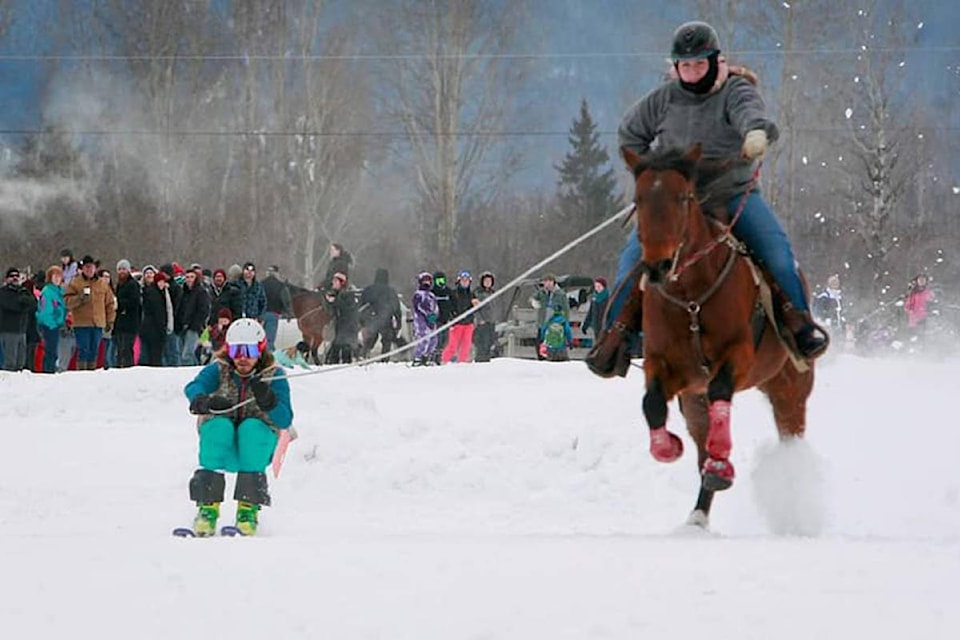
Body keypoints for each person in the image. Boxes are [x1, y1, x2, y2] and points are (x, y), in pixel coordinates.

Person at [587, 20, 828, 378]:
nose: (693, 71)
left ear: (716, 61)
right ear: (676, 67)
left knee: (777, 252)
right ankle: (615, 339)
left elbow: (752, 116)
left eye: (700, 63)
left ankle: (800, 325)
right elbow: (630, 134)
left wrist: (755, 134)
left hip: (731, 196)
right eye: (686, 65)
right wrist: (650, 175)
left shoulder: (734, 91)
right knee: (632, 261)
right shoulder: (663, 99)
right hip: (674, 205)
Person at [183, 318, 293, 536]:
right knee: (218, 426)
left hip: (255, 450)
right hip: (223, 448)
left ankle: (248, 510)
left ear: (260, 350)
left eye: (250, 350)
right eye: (236, 351)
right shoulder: (220, 369)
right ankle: (207, 509)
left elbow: (285, 419)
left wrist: (269, 401)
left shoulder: (274, 374)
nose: (243, 358)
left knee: (253, 428)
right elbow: (194, 386)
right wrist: (202, 400)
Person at [64, 255, 115, 371]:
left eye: (91, 267)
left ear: (95, 268)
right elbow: (67, 302)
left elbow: (110, 303)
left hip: (98, 323)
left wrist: (110, 320)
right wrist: (80, 298)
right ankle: (82, 372)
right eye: (86, 267)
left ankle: (91, 372)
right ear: (82, 269)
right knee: (83, 349)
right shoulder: (75, 283)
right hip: (81, 323)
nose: (89, 270)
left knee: (94, 349)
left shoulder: (102, 284)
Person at [359, 268, 403, 361]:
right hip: (386, 320)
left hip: (371, 319)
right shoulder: (391, 291)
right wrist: (398, 323)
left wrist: (361, 322)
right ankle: (385, 359)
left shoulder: (368, 290)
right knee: (387, 341)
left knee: (370, 340)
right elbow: (396, 308)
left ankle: (363, 355)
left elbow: (361, 307)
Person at [0, 268, 38, 371]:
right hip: (8, 330)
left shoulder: (23, 291)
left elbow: (34, 303)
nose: (15, 278)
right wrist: (23, 305)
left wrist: (23, 303)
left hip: (22, 330)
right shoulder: (3, 292)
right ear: (7, 279)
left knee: (20, 362)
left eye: (17, 276)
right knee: (10, 362)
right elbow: (12, 306)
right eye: (12, 276)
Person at [441, 270, 478, 364]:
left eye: (467, 280)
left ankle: (462, 363)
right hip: (456, 323)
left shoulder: (472, 295)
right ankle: (444, 361)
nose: (465, 282)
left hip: (468, 323)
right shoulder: (454, 293)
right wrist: (452, 316)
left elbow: (475, 309)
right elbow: (448, 306)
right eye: (463, 280)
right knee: (453, 345)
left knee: (466, 345)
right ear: (459, 281)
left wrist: (476, 305)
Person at [323, 272, 360, 364]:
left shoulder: (348, 294)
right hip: (340, 327)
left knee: (344, 349)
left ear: (342, 283)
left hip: (348, 327)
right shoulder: (337, 294)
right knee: (336, 347)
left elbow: (347, 310)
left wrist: (334, 301)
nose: (333, 284)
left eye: (336, 282)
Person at [530, 273, 569, 361]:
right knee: (540, 341)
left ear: (553, 282)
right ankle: (541, 358)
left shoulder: (560, 293)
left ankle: (555, 358)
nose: (547, 284)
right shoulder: (542, 292)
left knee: (554, 341)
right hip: (543, 320)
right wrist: (535, 302)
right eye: (545, 282)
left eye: (549, 281)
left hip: (555, 322)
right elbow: (533, 298)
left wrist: (565, 320)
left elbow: (566, 308)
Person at [36, 265, 67, 373]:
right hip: (49, 325)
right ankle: (47, 371)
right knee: (50, 351)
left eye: (59, 276)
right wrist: (51, 324)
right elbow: (45, 311)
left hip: (57, 324)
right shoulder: (48, 291)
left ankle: (51, 369)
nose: (57, 279)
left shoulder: (59, 292)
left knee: (54, 351)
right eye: (55, 276)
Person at [113, 259, 142, 368]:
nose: (122, 271)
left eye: (124, 269)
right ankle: (120, 367)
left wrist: (119, 303)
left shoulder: (133, 284)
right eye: (120, 269)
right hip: (120, 322)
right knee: (119, 349)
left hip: (130, 323)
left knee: (126, 348)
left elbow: (134, 302)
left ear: (128, 270)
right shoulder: (119, 285)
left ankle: (128, 368)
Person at [261, 265, 293, 351]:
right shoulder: (280, 286)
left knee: (260, 339)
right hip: (273, 314)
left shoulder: (260, 284)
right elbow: (286, 301)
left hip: (261, 315)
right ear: (277, 274)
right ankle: (269, 358)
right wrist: (289, 313)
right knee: (270, 340)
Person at [412, 272, 439, 366]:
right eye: (424, 280)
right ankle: (418, 357)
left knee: (433, 339)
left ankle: (426, 356)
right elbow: (419, 307)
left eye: (428, 281)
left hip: (431, 320)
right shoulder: (418, 294)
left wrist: (434, 316)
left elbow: (435, 307)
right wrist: (427, 315)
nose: (426, 283)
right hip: (421, 320)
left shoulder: (432, 295)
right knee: (423, 338)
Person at [472, 271, 497, 363]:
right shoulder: (478, 292)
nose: (487, 283)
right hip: (482, 321)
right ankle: (480, 359)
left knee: (490, 341)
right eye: (486, 281)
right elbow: (475, 308)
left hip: (491, 321)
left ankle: (487, 359)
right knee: (482, 342)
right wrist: (479, 319)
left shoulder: (492, 292)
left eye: (489, 281)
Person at [431, 271, 453, 364]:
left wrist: (453, 314)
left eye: (442, 280)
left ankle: (439, 355)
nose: (440, 283)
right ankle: (433, 357)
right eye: (438, 281)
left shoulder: (448, 291)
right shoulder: (432, 292)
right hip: (436, 320)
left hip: (446, 319)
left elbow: (453, 303)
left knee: (445, 339)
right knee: (438, 339)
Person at [580, 277, 610, 343]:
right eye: (596, 286)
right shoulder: (594, 298)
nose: (597, 288)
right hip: (596, 327)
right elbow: (590, 312)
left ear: (603, 287)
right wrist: (585, 325)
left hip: (606, 327)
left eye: (599, 286)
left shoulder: (609, 298)